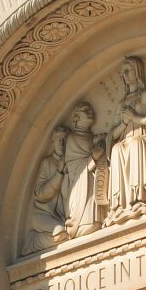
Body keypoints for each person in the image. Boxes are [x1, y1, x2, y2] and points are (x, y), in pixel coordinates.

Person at [107, 56, 146, 218]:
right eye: (123, 71)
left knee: (137, 144)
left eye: (128, 70)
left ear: (137, 72)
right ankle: (121, 203)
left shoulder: (144, 94)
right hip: (125, 140)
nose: (125, 74)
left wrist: (134, 117)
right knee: (116, 149)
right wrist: (124, 122)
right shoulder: (121, 103)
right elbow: (113, 134)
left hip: (141, 137)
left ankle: (142, 196)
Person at [22, 126, 69, 255]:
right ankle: (34, 242)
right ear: (52, 143)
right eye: (58, 140)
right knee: (61, 232)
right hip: (42, 215)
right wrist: (58, 173)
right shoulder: (47, 163)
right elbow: (40, 194)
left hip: (63, 217)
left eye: (64, 140)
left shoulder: (72, 161)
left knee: (67, 233)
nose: (61, 143)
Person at [61, 99, 103, 237]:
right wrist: (93, 158)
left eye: (90, 110)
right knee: (86, 217)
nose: (90, 113)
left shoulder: (90, 136)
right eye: (86, 111)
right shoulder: (72, 138)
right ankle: (81, 224)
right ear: (77, 117)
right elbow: (73, 166)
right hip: (80, 184)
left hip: (92, 178)